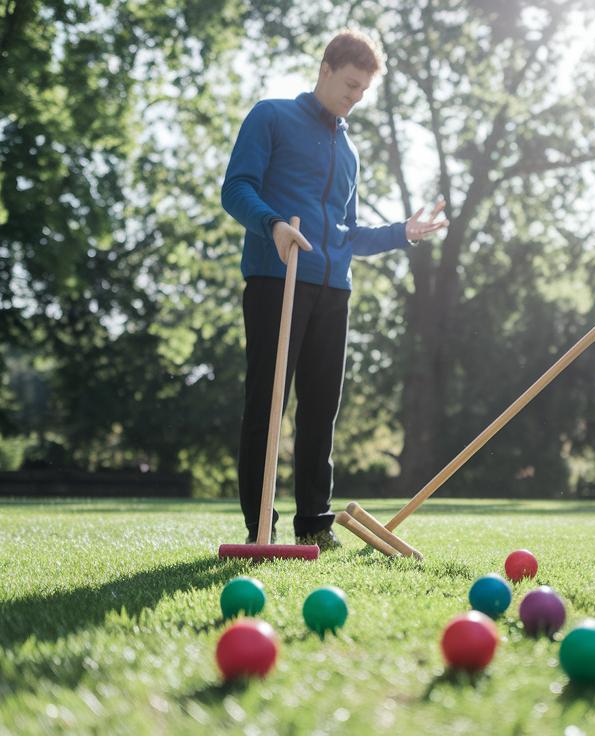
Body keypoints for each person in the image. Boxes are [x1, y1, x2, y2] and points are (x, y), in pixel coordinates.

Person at [221, 29, 447, 549]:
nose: (353, 99)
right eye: (349, 85)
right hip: (276, 278)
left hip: (332, 291)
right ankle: (260, 526)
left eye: (363, 91)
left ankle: (315, 527)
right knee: (266, 407)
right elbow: (236, 189)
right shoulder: (271, 116)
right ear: (325, 69)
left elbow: (346, 233)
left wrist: (401, 233)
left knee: (321, 410)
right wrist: (274, 224)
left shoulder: (348, 150)